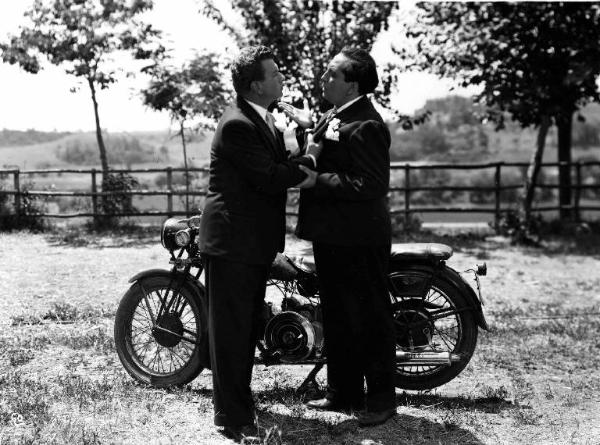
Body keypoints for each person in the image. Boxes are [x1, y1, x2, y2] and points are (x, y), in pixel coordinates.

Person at [197, 45, 320, 442]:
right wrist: (311, 159)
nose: (282, 77)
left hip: (249, 243)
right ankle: (230, 418)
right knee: (232, 332)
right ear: (255, 84)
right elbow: (269, 176)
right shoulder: (238, 124)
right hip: (234, 243)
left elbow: (277, 161)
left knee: (246, 326)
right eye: (276, 73)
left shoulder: (259, 117)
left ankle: (239, 403)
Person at [287, 47, 396, 427]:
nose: (323, 79)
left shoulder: (367, 124)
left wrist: (320, 180)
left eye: (332, 74)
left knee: (369, 317)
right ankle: (343, 392)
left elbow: (371, 183)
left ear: (352, 84)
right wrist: (306, 124)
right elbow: (327, 146)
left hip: (359, 239)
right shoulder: (339, 115)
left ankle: (381, 400)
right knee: (338, 316)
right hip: (334, 236)